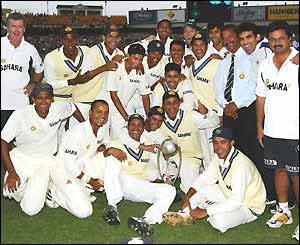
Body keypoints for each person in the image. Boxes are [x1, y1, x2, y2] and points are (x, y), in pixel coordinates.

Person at [1, 83, 84, 216]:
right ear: (33, 99)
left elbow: (73, 108)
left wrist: (85, 127)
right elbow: (3, 141)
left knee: (30, 210)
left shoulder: (59, 108)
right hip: (22, 158)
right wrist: (11, 172)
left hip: (45, 162)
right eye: (39, 98)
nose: (44, 101)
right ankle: (39, 188)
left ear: (52, 99)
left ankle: (48, 188)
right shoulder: (20, 115)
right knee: (9, 192)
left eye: (47, 98)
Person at [163, 127, 266, 233]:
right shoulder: (219, 156)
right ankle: (184, 214)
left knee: (218, 221)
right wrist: (187, 197)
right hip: (228, 193)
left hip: (248, 206)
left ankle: (206, 208)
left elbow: (236, 201)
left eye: (223, 142)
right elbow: (205, 178)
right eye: (215, 143)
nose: (218, 147)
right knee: (202, 190)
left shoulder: (240, 166)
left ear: (231, 143)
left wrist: (206, 211)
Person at [256, 20, 299, 241]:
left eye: (281, 38)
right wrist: (259, 126)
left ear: (290, 38)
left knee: (297, 176)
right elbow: (261, 96)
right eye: (272, 39)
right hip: (272, 131)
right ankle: (284, 211)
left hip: (295, 133)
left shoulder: (298, 62)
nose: (277, 42)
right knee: (279, 171)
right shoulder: (264, 65)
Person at [47, 100, 126, 218]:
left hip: (83, 166)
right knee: (84, 212)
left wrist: (107, 148)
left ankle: (112, 203)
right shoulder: (77, 134)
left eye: (106, 112)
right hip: (64, 171)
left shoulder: (102, 128)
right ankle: (55, 192)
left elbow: (105, 142)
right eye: (99, 112)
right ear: (90, 113)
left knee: (113, 158)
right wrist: (90, 181)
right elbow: (70, 167)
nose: (103, 116)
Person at [102, 114, 176, 237]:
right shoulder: (118, 142)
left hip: (139, 186)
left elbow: (159, 165)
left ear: (143, 128)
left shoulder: (149, 144)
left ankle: (145, 220)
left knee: (170, 190)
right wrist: (108, 151)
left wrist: (164, 158)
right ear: (127, 127)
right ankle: (112, 207)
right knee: (111, 159)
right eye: (133, 125)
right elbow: (104, 156)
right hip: (122, 184)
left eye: (139, 125)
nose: (136, 128)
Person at [215, 24, 260, 169]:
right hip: (229, 113)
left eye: (230, 36)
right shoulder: (224, 62)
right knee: (232, 153)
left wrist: (236, 104)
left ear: (237, 37)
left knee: (250, 153)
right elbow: (218, 88)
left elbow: (254, 87)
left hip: (247, 112)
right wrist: (226, 105)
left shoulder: (250, 58)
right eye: (224, 38)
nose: (227, 40)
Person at [160, 91, 219, 193]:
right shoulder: (160, 121)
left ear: (179, 103)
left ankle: (200, 175)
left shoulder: (191, 116)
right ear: (163, 105)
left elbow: (214, 122)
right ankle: (170, 175)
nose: (172, 106)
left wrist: (207, 113)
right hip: (173, 157)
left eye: (175, 102)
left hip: (190, 157)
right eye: (168, 103)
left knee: (189, 189)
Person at [1, 12, 43, 130]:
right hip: (1, 103)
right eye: (13, 26)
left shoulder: (30, 49)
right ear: (7, 28)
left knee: (20, 140)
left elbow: (39, 69)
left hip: (20, 104)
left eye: (19, 26)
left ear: (24, 29)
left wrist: (33, 83)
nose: (16, 30)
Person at [189, 31, 222, 169]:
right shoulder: (191, 65)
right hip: (197, 114)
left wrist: (220, 113)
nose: (198, 48)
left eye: (201, 45)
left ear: (207, 46)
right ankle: (209, 183)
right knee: (203, 151)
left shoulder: (216, 63)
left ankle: (218, 181)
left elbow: (221, 90)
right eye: (195, 45)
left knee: (214, 152)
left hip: (211, 114)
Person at [106, 43, 151, 139]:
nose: (137, 62)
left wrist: (148, 117)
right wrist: (126, 117)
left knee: (118, 139)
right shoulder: (116, 66)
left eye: (140, 60)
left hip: (120, 109)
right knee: (101, 138)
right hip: (105, 106)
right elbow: (113, 95)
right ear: (128, 56)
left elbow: (145, 96)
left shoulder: (140, 72)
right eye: (135, 58)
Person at [127, 40, 165, 116]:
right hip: (131, 97)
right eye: (153, 53)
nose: (156, 57)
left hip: (147, 99)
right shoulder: (139, 60)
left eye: (159, 54)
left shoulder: (163, 67)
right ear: (147, 53)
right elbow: (126, 51)